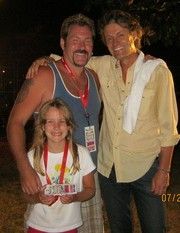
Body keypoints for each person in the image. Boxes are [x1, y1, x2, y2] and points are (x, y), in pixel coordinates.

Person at [27, 10, 179, 233]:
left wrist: (163, 171)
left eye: (120, 35)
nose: (114, 42)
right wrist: (45, 59)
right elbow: (73, 57)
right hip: (109, 169)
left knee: (155, 227)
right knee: (119, 228)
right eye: (108, 38)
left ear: (134, 35)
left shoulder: (156, 72)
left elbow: (168, 129)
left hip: (145, 167)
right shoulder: (104, 65)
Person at [7, 14, 103, 233]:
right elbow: (14, 123)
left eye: (87, 41)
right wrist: (25, 170)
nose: (82, 46)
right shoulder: (44, 75)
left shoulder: (94, 78)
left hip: (88, 175)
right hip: (51, 177)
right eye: (75, 40)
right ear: (62, 43)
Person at [24, 98, 96, 233]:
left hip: (69, 226)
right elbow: (26, 195)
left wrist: (75, 197)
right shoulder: (32, 156)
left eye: (62, 121)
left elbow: (90, 189)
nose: (56, 127)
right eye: (50, 121)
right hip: (38, 226)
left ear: (69, 126)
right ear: (42, 126)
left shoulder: (82, 154)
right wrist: (38, 198)